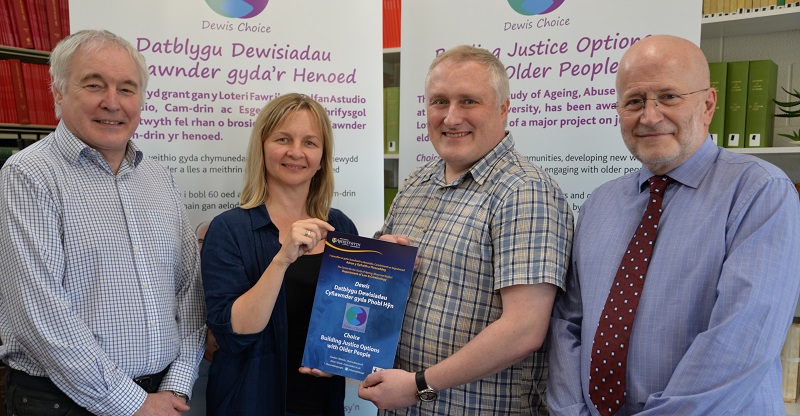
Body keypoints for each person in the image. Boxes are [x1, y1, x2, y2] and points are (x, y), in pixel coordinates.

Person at [548, 34, 800, 415]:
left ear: (708, 104)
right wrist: (570, 411)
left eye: (668, 97)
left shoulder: (760, 190)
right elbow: (568, 321)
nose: (650, 116)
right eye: (634, 101)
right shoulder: (599, 203)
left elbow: (741, 340)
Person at [357, 45, 574, 415]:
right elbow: (378, 291)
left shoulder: (524, 191)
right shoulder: (416, 183)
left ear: (503, 108)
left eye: (468, 101)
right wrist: (379, 263)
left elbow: (524, 329)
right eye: (439, 101)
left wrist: (419, 385)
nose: (451, 117)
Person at [0, 29, 206, 415]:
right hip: (60, 403)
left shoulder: (159, 178)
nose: (113, 103)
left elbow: (189, 292)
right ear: (58, 92)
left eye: (127, 89)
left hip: (160, 396)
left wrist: (177, 385)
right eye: (95, 85)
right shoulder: (28, 175)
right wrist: (133, 404)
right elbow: (40, 316)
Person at [202, 93, 358, 415]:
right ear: (262, 147)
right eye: (283, 138)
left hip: (323, 402)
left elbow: (354, 321)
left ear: (322, 156)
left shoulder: (339, 227)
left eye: (310, 142)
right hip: (249, 403)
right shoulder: (229, 229)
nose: (296, 152)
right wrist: (282, 259)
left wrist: (391, 267)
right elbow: (233, 336)